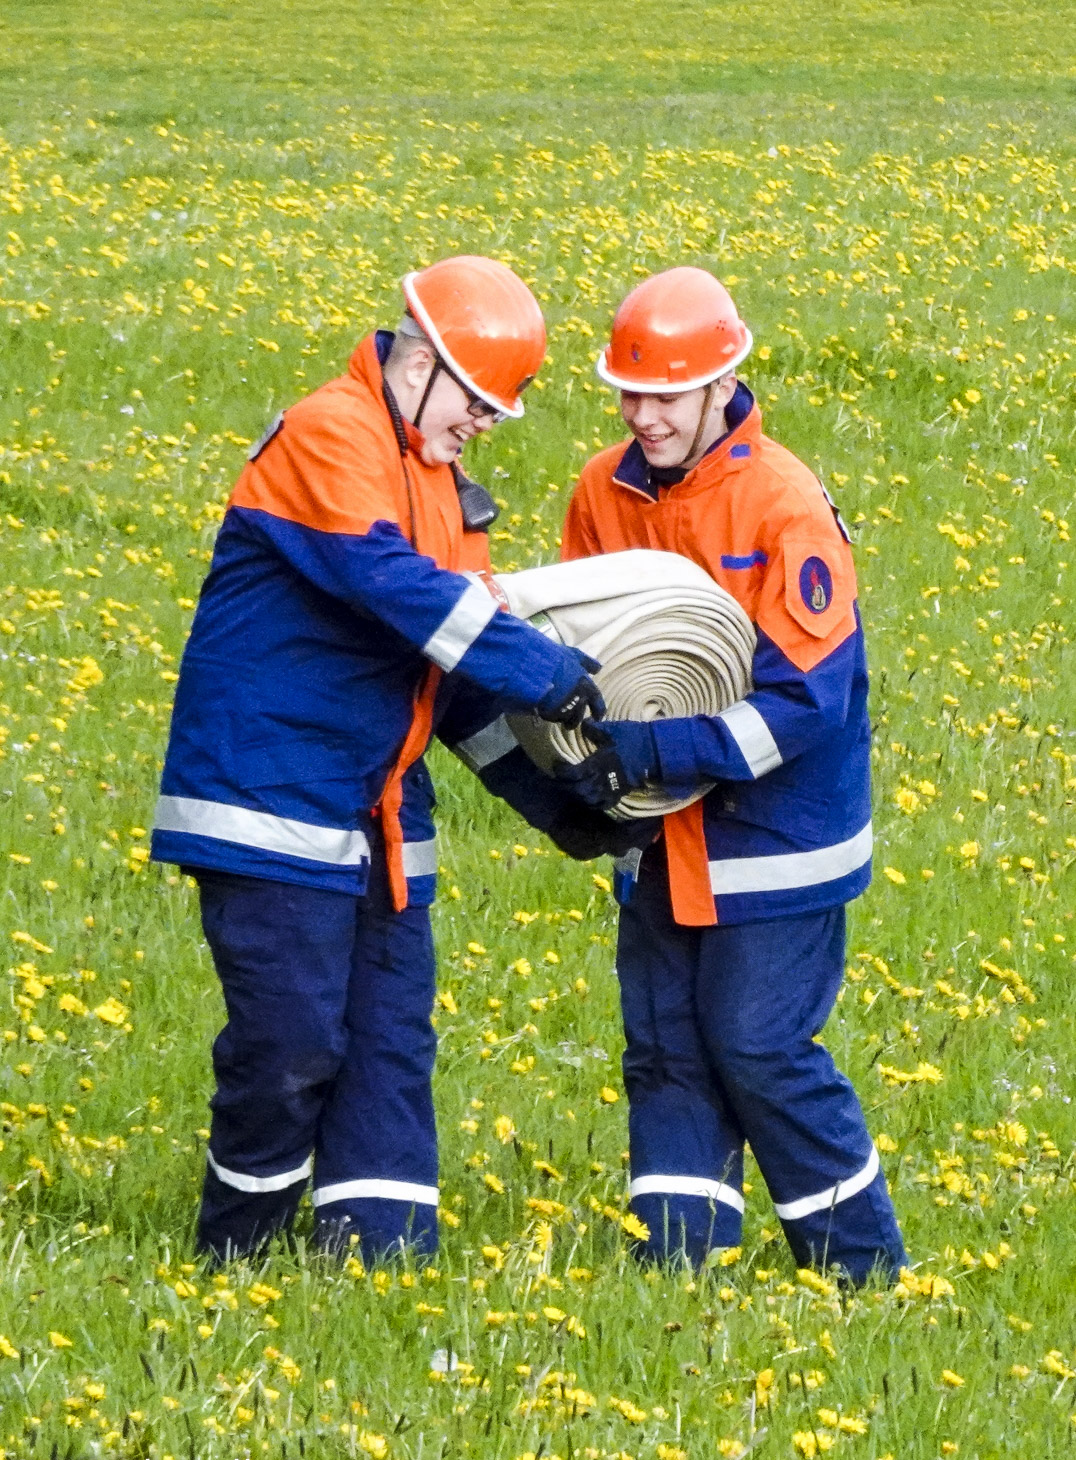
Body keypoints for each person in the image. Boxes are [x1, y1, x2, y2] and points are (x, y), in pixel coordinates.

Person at [150, 255, 613, 1262]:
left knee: (387, 1046)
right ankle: (236, 1253)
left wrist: (561, 799)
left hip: (377, 815)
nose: (484, 426)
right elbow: (392, 584)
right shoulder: (332, 432)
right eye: (479, 403)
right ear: (424, 365)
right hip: (271, 798)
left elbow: (452, 674)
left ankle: (381, 1260)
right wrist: (545, 666)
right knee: (291, 1047)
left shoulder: (440, 484)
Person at [556, 267, 906, 1284]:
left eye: (665, 396)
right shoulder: (599, 490)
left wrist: (659, 754)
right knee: (662, 1047)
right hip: (657, 835)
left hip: (775, 843)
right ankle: (674, 1273)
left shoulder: (782, 504)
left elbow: (809, 704)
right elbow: (580, 653)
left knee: (757, 1048)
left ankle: (859, 1272)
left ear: (722, 383)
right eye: (628, 394)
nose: (642, 416)